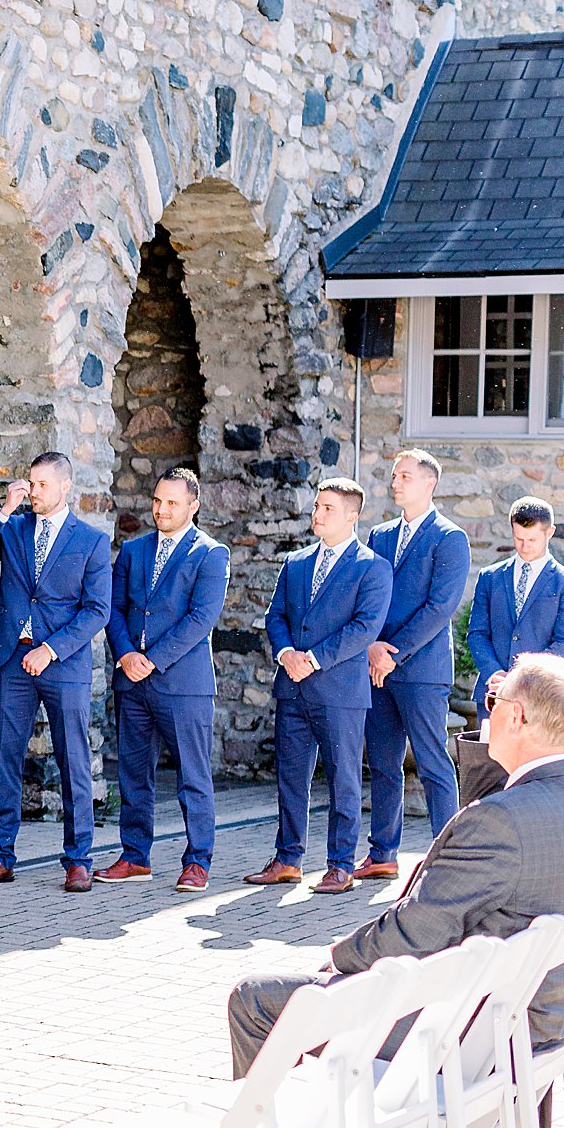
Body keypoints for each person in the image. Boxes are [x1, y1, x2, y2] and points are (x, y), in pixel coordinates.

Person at [227, 651, 564, 1078]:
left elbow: (417, 932)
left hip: (470, 1028)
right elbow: (499, 803)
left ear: (516, 718)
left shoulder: (498, 823)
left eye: (493, 706)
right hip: (537, 1017)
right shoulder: (522, 809)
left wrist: (338, 955)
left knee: (255, 999)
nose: (487, 713)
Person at [0, 451, 113, 893]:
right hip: (12, 657)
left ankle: (79, 858)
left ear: (65, 486)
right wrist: (5, 509)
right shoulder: (15, 525)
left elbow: (97, 610)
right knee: (6, 758)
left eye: (42, 485)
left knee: (73, 760)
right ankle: (0, 856)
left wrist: (51, 649)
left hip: (62, 662)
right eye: (30, 483)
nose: (34, 492)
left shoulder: (90, 540)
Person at [245, 477, 392, 895]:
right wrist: (286, 653)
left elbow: (365, 627)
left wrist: (312, 659)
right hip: (291, 688)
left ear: (352, 515)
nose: (317, 514)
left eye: (327, 508)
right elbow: (276, 617)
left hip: (339, 692)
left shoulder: (372, 567)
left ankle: (340, 865)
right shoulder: (295, 564)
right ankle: (288, 859)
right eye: (316, 506)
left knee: (343, 779)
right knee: (290, 777)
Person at [98, 469, 230, 894]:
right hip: (132, 681)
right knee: (134, 774)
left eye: (172, 503)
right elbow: (113, 610)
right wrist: (126, 655)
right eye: (157, 500)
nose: (161, 509)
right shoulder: (133, 551)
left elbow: (200, 620)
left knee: (193, 776)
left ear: (193, 505)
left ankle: (197, 862)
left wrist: (151, 660)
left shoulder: (212, 554)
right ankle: (135, 856)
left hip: (182, 684)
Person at [360, 449, 471, 877]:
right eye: (393, 475)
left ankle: (450, 858)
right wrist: (372, 646)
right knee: (384, 763)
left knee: (432, 762)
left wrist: (394, 652)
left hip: (421, 670)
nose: (396, 482)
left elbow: (439, 608)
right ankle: (382, 855)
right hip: (376, 665)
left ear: (430, 483)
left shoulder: (450, 537)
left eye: (405, 476)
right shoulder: (380, 536)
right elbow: (366, 596)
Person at [468, 497, 564, 722]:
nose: (524, 546)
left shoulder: (561, 581)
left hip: (541, 698)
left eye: (532, 539)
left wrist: (521, 679)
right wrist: (494, 673)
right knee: (486, 758)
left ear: (549, 532)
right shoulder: (490, 577)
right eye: (518, 538)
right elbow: (477, 633)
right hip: (493, 694)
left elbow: (562, 641)